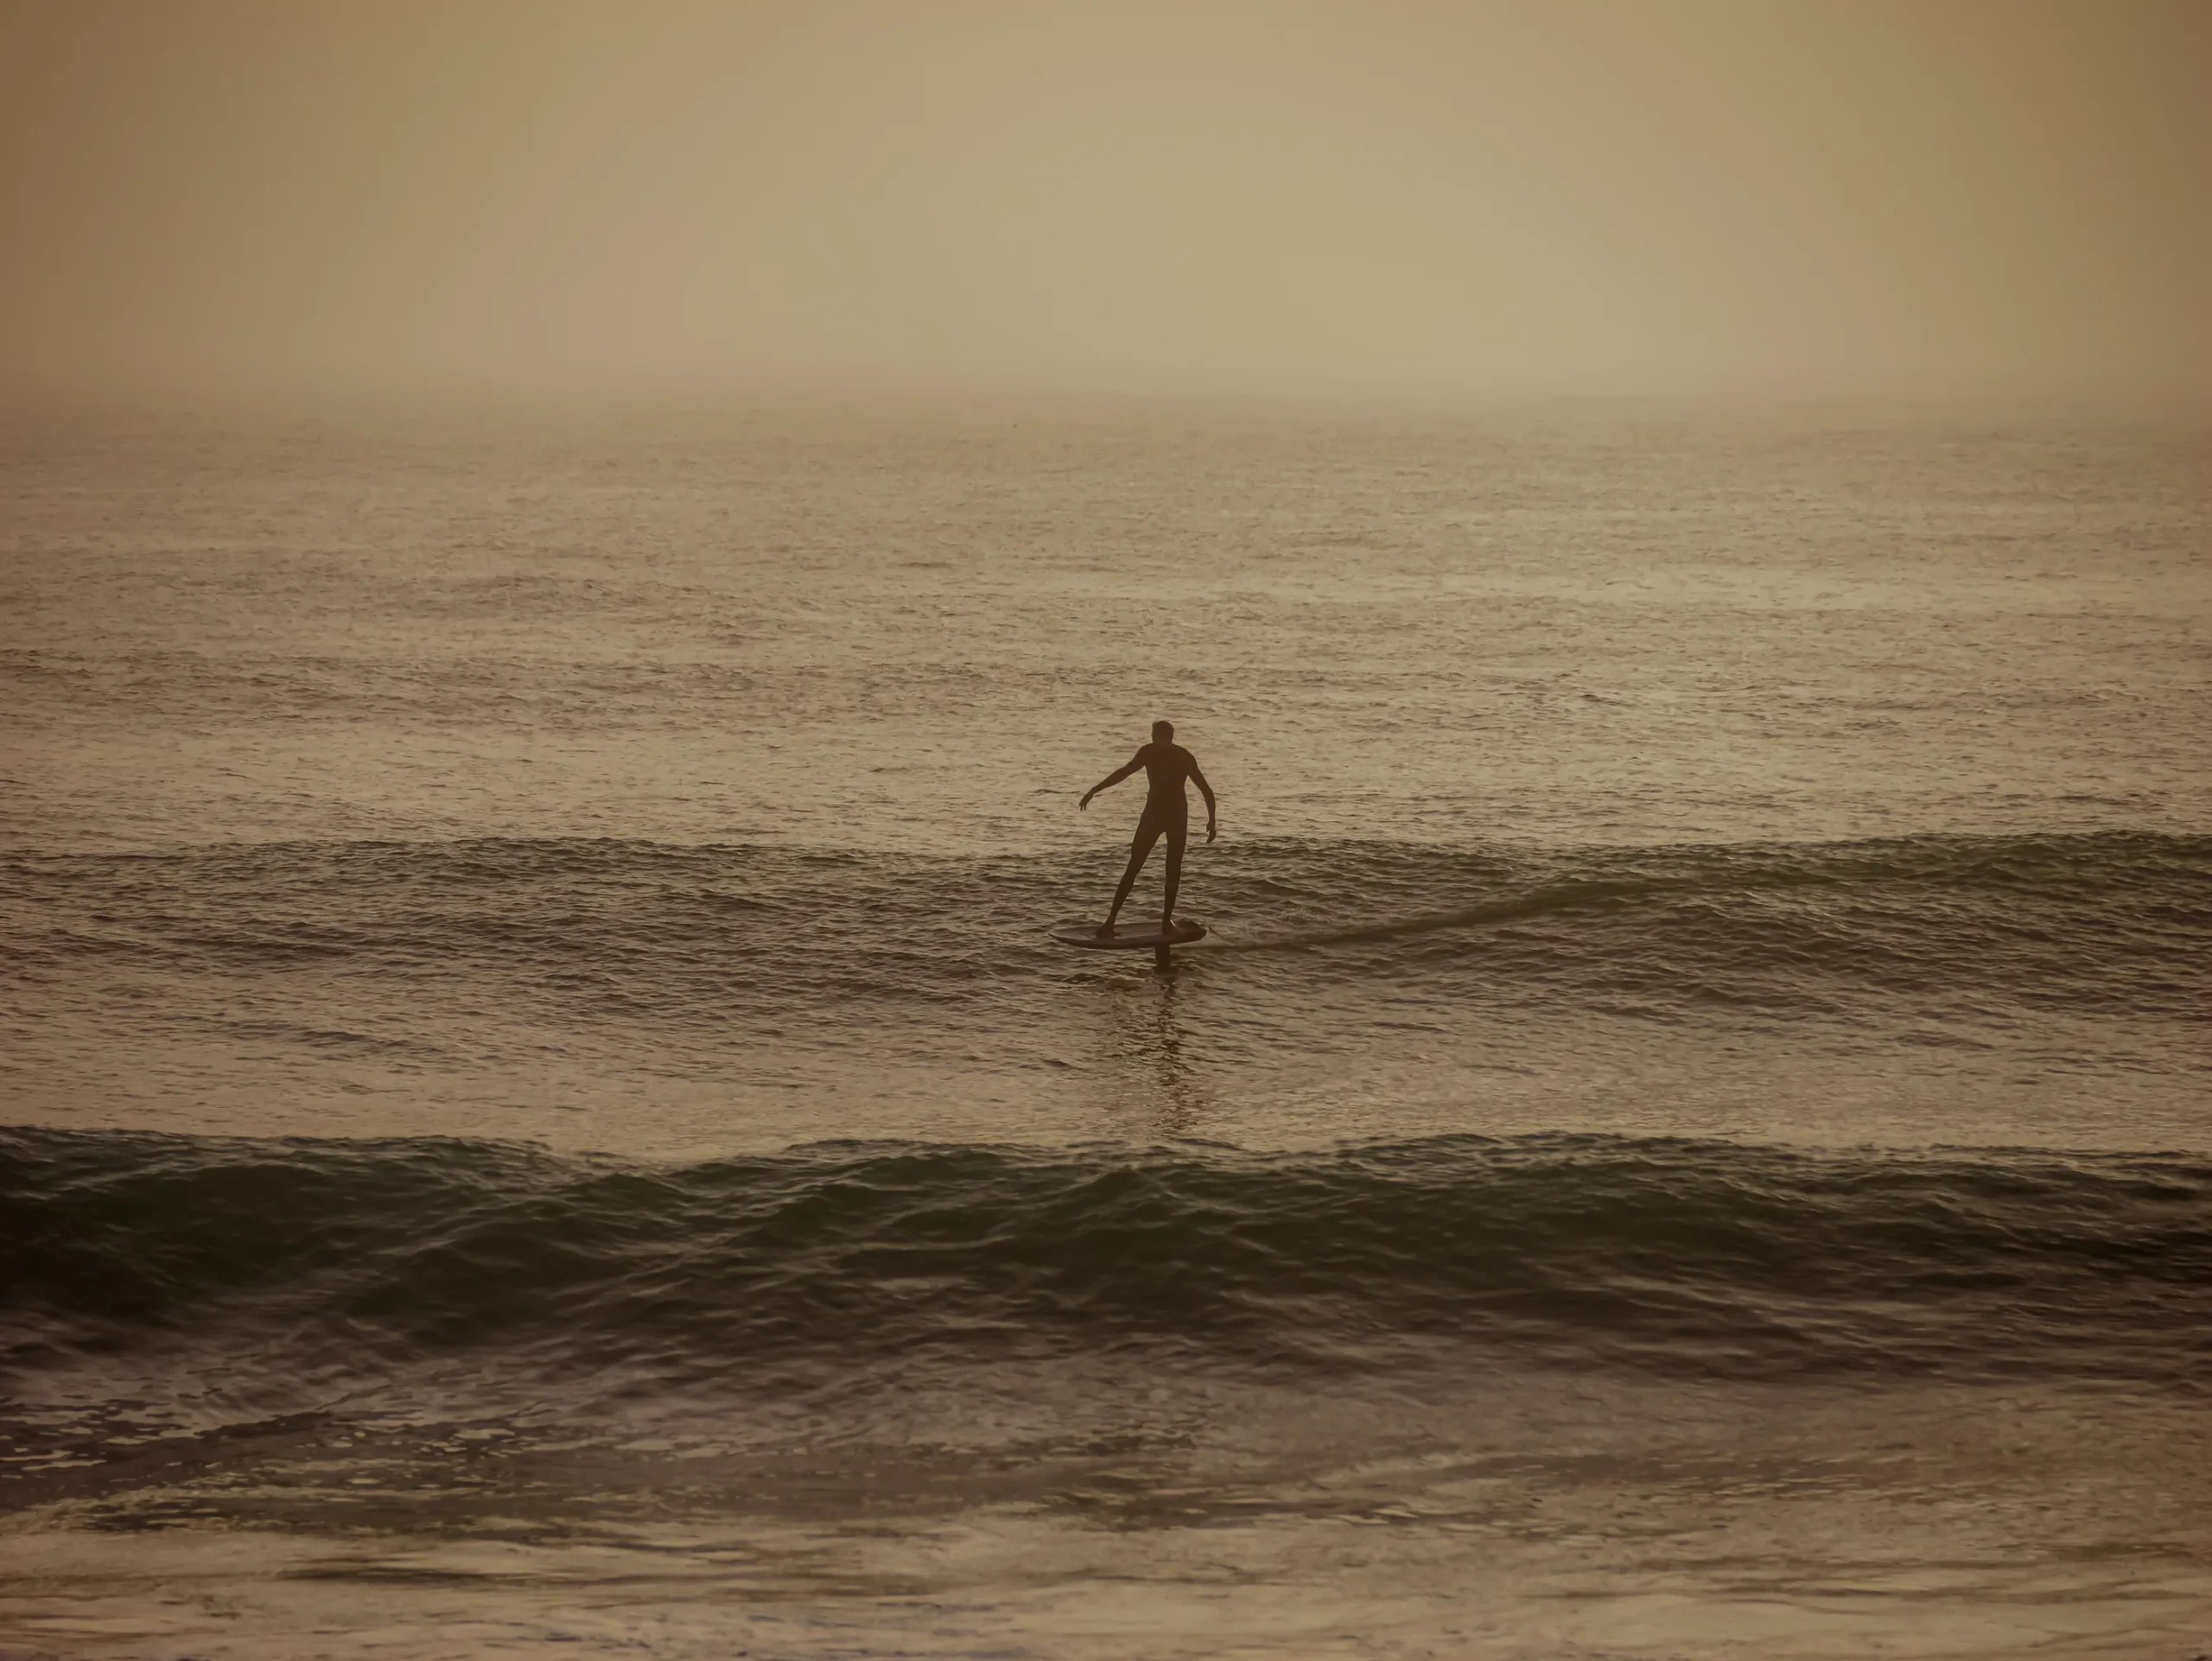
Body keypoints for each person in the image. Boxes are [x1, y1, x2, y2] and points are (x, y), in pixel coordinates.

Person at [1079, 721, 1217, 936]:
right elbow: (1124, 772)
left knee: (1173, 870)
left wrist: (1212, 820)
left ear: (1168, 737)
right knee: (1134, 866)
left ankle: (1166, 922)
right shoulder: (1148, 752)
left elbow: (1205, 789)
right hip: (1152, 816)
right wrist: (1095, 790)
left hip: (1177, 818)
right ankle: (1110, 921)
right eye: (1152, 735)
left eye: (1156, 735)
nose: (1153, 738)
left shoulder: (1184, 756)